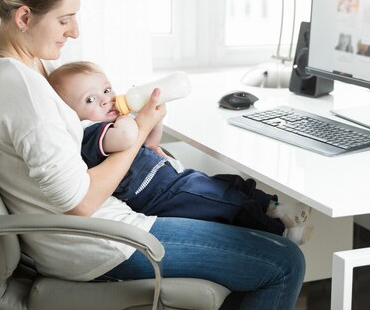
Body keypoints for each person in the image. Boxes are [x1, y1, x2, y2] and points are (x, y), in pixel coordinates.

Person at [0, 0, 305, 309]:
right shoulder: (22, 91)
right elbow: (80, 204)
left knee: (242, 221)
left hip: (106, 225)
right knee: (284, 262)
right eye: (65, 19)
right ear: (23, 17)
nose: (74, 31)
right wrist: (139, 131)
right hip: (99, 243)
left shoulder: (16, 67)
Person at [47, 61, 313, 244]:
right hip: (161, 196)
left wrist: (155, 118)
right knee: (229, 202)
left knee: (231, 182)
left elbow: (150, 142)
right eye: (90, 100)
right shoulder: (92, 132)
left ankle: (275, 207)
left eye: (106, 90)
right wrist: (135, 119)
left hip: (174, 179)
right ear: (71, 113)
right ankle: (283, 233)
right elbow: (129, 136)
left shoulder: (114, 124)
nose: (106, 99)